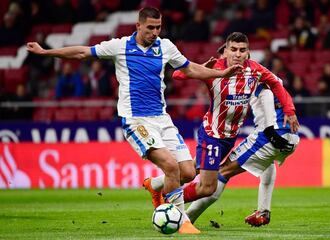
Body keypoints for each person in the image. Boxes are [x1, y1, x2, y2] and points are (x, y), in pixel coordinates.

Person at [26, 7, 240, 234]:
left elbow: (191, 69)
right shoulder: (120, 46)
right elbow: (82, 52)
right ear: (138, 26)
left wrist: (221, 74)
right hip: (136, 120)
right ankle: (183, 223)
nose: (155, 32)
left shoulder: (166, 47)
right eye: (150, 27)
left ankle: (154, 185)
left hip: (162, 118)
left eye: (158, 27)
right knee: (169, 165)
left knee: (187, 172)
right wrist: (45, 53)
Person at [143, 32, 299, 226]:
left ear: (248, 53)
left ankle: (155, 184)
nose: (238, 54)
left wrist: (289, 111)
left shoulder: (255, 70)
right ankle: (169, 202)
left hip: (229, 138)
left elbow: (276, 83)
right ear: (225, 51)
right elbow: (177, 74)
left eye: (242, 50)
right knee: (208, 187)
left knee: (192, 170)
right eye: (233, 49)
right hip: (212, 134)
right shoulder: (215, 68)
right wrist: (201, 69)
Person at [185, 82, 299, 226]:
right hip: (292, 136)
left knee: (222, 172)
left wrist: (270, 131)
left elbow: (266, 93)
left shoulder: (254, 78)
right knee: (267, 164)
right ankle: (263, 212)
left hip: (272, 136)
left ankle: (187, 217)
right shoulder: (274, 81)